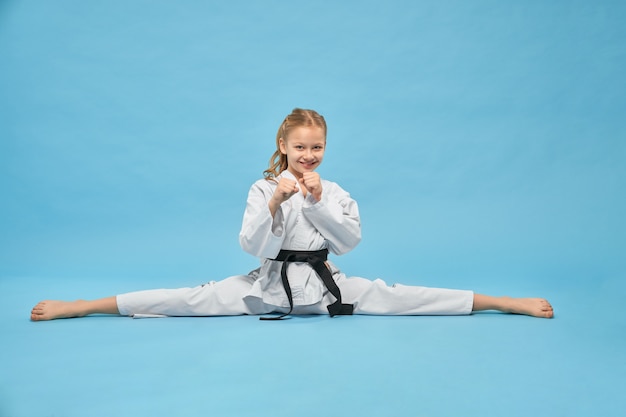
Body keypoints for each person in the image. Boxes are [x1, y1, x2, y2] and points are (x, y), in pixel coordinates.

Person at [30, 108, 554, 321]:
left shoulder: (336, 189)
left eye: (317, 147)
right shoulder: (262, 187)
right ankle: (83, 306)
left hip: (327, 285)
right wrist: (278, 202)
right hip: (266, 282)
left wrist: (317, 198)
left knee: (402, 297)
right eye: (301, 147)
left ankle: (501, 302)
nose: (309, 155)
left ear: (325, 148)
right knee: (188, 297)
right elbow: (251, 247)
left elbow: (348, 242)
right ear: (283, 144)